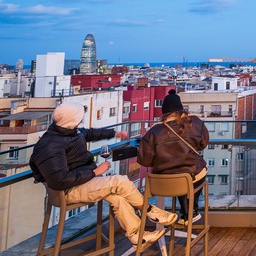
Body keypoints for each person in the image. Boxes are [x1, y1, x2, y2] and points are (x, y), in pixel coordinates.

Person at [30, 102, 178, 246]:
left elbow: (88, 133)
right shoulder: (50, 145)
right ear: (71, 120)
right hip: (68, 191)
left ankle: (137, 235)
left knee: (119, 198)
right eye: (79, 117)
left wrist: (115, 133)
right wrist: (95, 172)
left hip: (82, 182)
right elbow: (59, 181)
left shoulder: (67, 132)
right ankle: (150, 211)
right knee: (120, 181)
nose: (81, 120)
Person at [138, 90, 209, 225]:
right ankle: (191, 210)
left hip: (161, 182)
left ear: (163, 112)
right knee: (192, 172)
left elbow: (145, 161)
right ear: (181, 109)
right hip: (189, 177)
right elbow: (203, 144)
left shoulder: (154, 131)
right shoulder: (195, 123)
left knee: (178, 174)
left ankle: (187, 212)